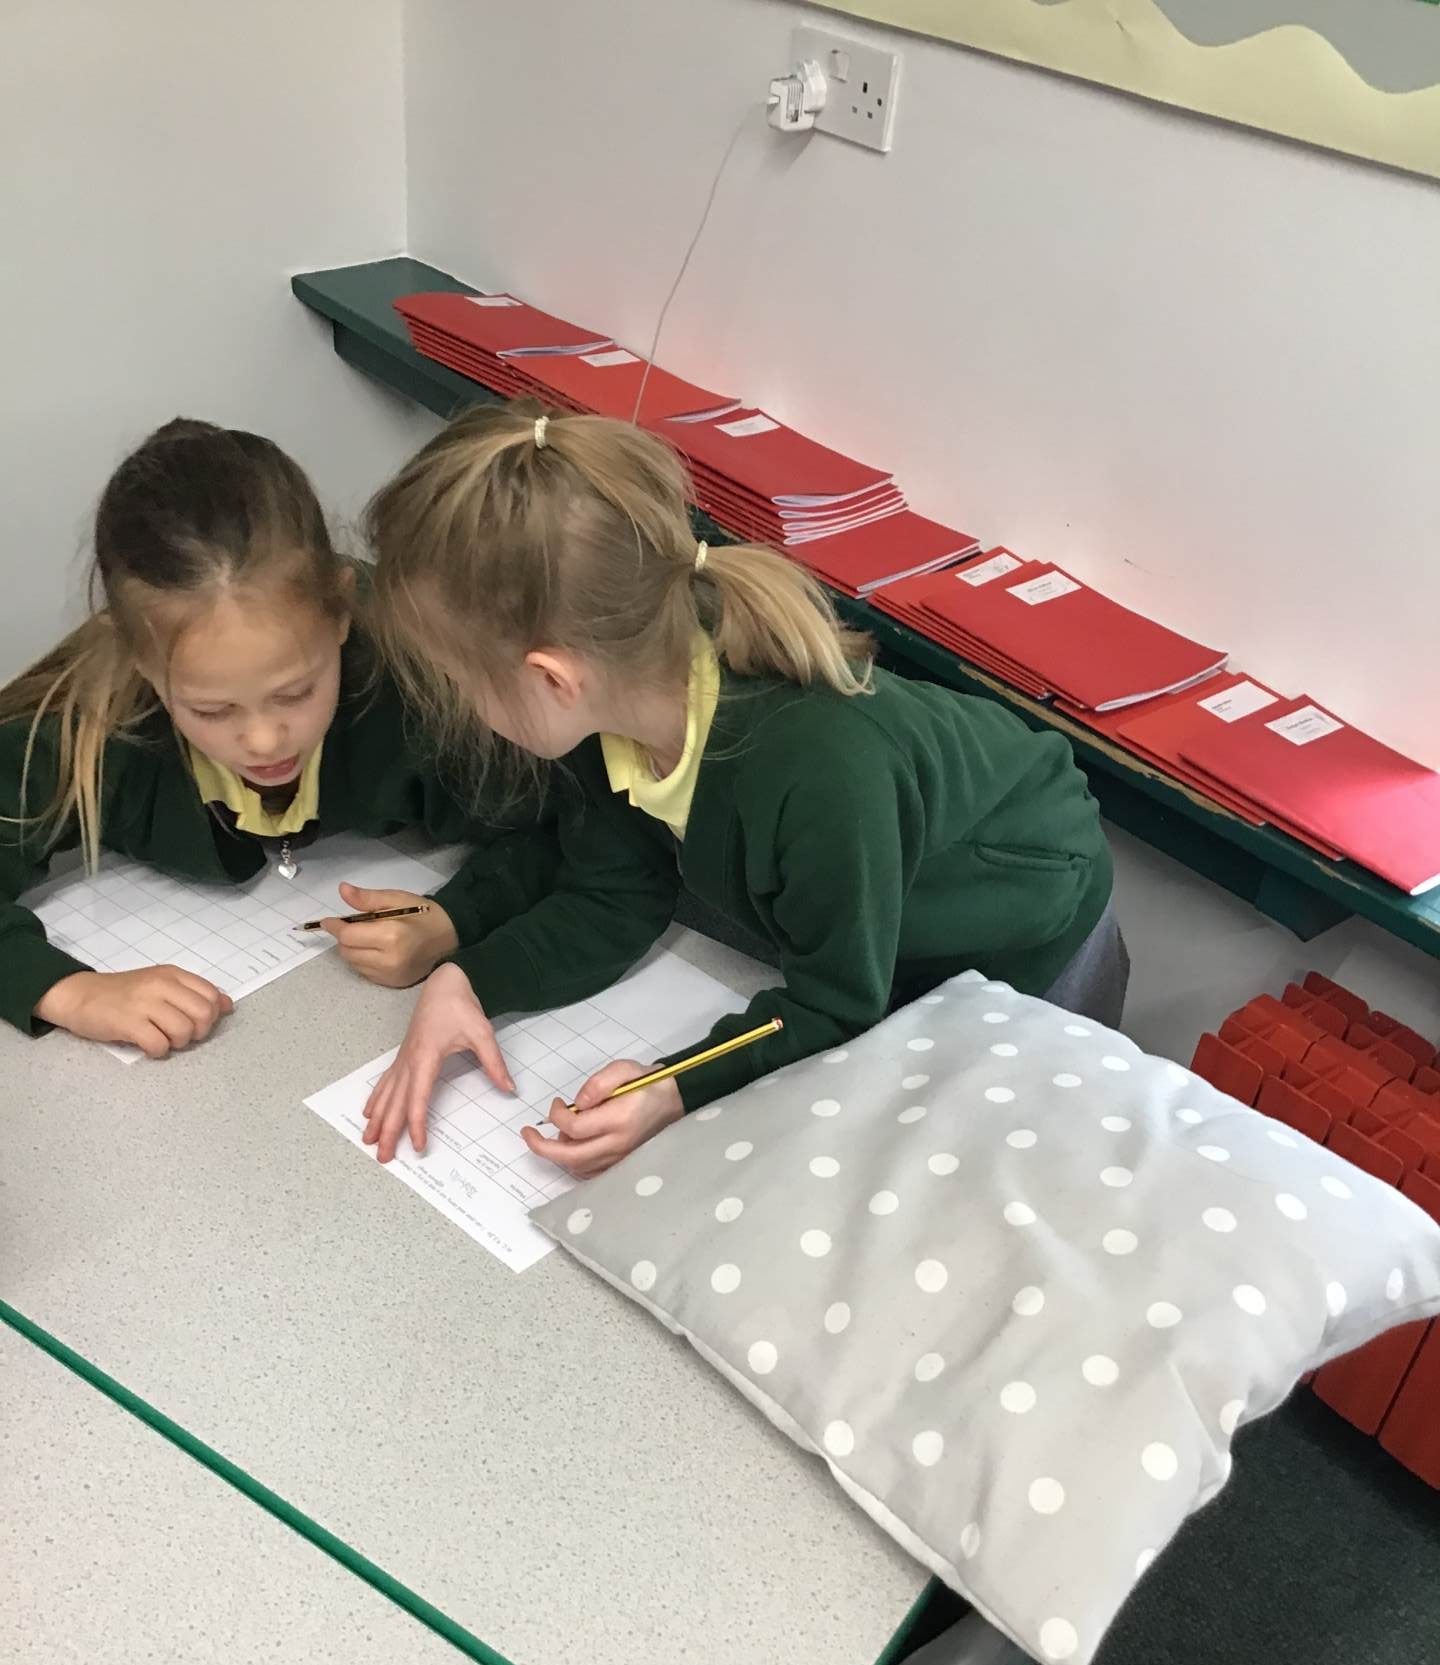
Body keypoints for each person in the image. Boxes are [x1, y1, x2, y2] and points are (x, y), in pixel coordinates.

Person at [360, 405, 1127, 1175]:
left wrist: (673, 1088)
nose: (462, 708)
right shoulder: (614, 703)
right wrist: (468, 979)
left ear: (552, 679)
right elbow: (613, 893)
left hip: (1016, 923)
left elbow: (834, 1005)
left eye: (459, 683)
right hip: (868, 912)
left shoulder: (818, 770)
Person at [0, 417, 559, 1057]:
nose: (265, 741)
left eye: (295, 694)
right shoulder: (88, 727)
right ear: (140, 662)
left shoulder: (416, 685)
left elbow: (572, 828)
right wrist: (67, 991)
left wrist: (456, 917)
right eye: (213, 710)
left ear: (341, 614)